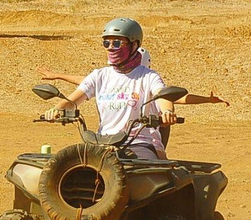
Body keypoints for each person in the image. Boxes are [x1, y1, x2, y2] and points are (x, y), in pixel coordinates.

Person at [38, 45, 229, 149]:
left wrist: (206, 100)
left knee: (162, 171)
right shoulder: (105, 77)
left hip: (142, 138)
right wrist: (57, 79)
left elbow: (173, 98)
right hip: (106, 139)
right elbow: (84, 83)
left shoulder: (149, 80)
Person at [43, 17, 176, 160]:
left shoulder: (148, 76)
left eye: (117, 43)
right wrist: (56, 109)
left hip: (138, 142)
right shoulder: (99, 76)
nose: (111, 48)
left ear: (134, 45)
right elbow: (72, 101)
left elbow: (162, 95)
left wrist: (167, 112)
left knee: (141, 170)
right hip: (103, 142)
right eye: (106, 43)